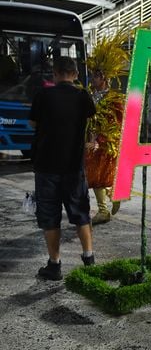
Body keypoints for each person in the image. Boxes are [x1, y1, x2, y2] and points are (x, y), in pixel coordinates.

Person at [29, 57, 96, 280]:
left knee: (50, 216)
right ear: (76, 74)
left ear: (55, 74)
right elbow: (92, 120)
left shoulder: (43, 95)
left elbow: (33, 124)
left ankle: (54, 265)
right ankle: (89, 260)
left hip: (46, 166)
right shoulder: (82, 96)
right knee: (80, 213)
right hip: (73, 167)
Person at [85, 70, 124, 224]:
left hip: (106, 144)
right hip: (90, 141)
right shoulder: (90, 95)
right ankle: (109, 201)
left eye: (95, 76)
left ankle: (104, 208)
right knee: (95, 176)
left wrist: (100, 140)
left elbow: (117, 124)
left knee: (99, 176)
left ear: (104, 78)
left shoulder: (114, 99)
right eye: (92, 76)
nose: (92, 79)